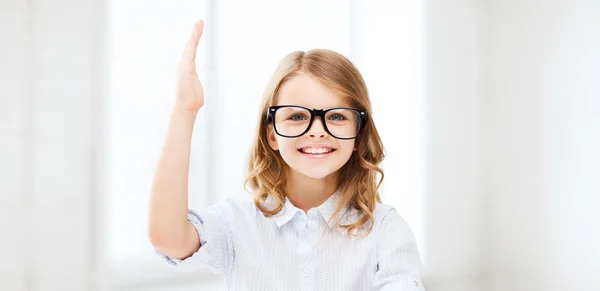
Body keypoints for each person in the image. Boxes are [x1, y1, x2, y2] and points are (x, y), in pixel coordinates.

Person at [148, 19, 426, 291]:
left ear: (358, 135)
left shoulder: (386, 230)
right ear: (272, 134)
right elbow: (168, 238)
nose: (317, 131)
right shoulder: (236, 224)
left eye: (337, 116)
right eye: (297, 116)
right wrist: (186, 109)